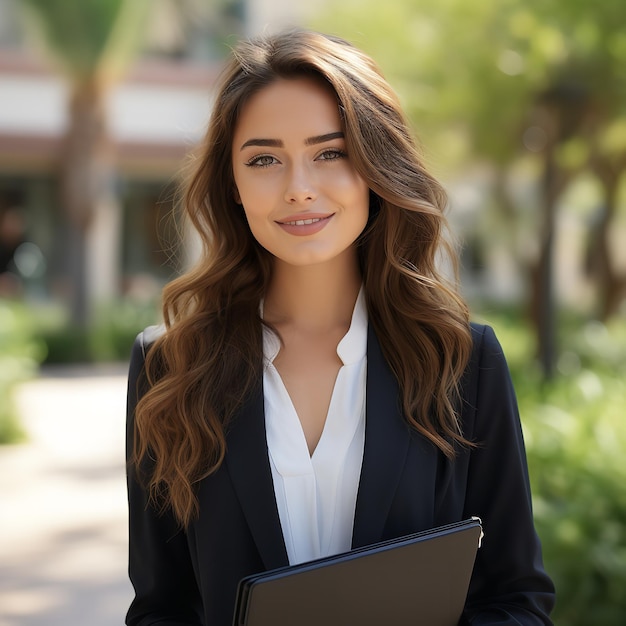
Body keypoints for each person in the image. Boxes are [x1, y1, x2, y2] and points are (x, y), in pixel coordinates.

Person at [125, 29, 555, 625]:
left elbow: (516, 600)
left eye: (330, 152)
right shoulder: (169, 369)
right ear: (233, 183)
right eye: (264, 159)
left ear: (377, 166)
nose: (299, 187)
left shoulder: (461, 362)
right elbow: (159, 608)